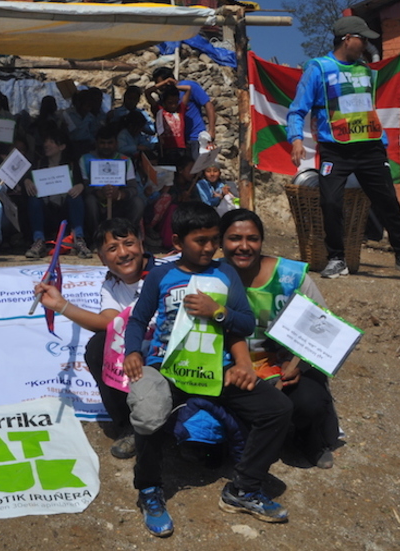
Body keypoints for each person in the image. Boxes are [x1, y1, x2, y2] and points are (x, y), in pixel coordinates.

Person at [123, 201, 291, 536]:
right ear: (177, 241)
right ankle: (149, 488)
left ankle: (244, 488)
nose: (210, 247)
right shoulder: (160, 275)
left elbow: (245, 323)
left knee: (277, 409)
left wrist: (218, 311)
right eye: (200, 241)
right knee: (148, 411)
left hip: (215, 370)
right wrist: (132, 353)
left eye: (214, 239)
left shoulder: (225, 274)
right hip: (168, 369)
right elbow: (138, 319)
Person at [287, 15, 400, 278]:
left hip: (370, 147)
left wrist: (383, 143)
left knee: (388, 200)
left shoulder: (364, 69)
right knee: (330, 202)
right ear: (347, 39)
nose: (365, 44)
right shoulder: (318, 68)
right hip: (335, 149)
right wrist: (296, 139)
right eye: (362, 39)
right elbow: (297, 109)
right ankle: (336, 258)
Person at [35, 218, 171, 459]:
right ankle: (128, 425)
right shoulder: (111, 283)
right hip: (137, 351)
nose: (123, 253)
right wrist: (59, 305)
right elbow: (109, 323)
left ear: (141, 244)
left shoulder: (165, 273)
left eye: (129, 243)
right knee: (99, 345)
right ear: (101, 258)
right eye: (112, 248)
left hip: (168, 350)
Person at [220, 209, 340, 468]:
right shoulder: (211, 277)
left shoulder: (291, 276)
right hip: (231, 369)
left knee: (309, 402)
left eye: (252, 239)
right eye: (234, 238)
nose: (243, 246)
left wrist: (299, 365)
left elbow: (324, 328)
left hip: (283, 369)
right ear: (221, 241)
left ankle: (308, 438)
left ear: (262, 241)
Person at [23, 129, 90, 259]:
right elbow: (26, 179)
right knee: (34, 199)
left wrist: (80, 186)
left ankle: (79, 239)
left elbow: (82, 184)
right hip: (46, 212)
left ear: (62, 146)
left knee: (75, 197)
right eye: (46, 142)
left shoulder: (71, 165)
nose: (46, 145)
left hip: (65, 212)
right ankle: (38, 241)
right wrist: (27, 181)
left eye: (52, 142)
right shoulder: (39, 164)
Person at [79, 125, 145, 237]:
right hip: (97, 204)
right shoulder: (85, 159)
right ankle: (96, 238)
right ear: (96, 143)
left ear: (116, 144)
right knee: (89, 201)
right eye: (102, 143)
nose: (106, 146)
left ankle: (125, 236)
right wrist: (99, 193)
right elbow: (84, 187)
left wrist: (119, 194)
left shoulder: (125, 160)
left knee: (138, 202)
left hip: (118, 204)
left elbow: (133, 188)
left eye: (110, 143)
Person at [146, 66, 215, 157]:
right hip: (177, 143)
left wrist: (211, 130)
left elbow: (208, 105)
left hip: (195, 136)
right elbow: (148, 93)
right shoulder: (164, 100)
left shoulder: (188, 90)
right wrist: (164, 84)